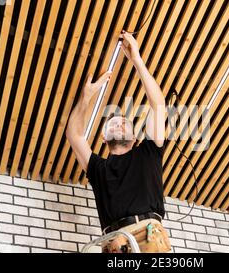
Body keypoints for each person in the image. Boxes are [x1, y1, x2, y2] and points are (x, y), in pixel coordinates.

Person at [66, 30, 171, 253]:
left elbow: (158, 106)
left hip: (150, 237)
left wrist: (137, 60)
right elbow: (74, 135)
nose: (118, 123)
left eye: (124, 122)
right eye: (112, 124)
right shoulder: (98, 169)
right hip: (114, 243)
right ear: (104, 138)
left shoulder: (149, 152)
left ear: (134, 137)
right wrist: (86, 97)